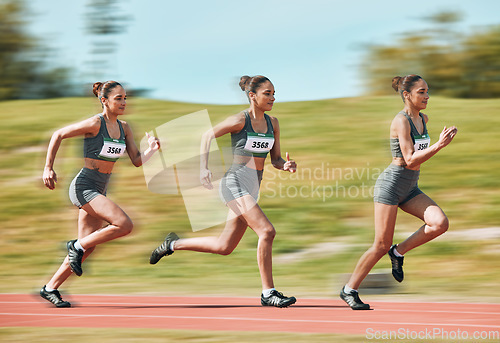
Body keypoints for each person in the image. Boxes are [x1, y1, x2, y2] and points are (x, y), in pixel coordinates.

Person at [149, 75, 298, 308]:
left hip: (252, 187)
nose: (272, 98)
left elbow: (276, 159)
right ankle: (268, 293)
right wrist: (203, 169)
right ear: (252, 96)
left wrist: (285, 165)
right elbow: (207, 135)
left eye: (273, 93)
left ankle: (172, 244)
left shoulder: (273, 124)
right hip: (234, 183)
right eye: (267, 93)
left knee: (224, 247)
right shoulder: (241, 120)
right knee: (267, 231)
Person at [340, 75, 458, 310]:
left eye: (427, 91)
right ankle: (349, 289)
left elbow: (416, 161)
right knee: (380, 244)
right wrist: (439, 145)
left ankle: (399, 251)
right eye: (421, 92)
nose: (426, 96)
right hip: (391, 186)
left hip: (411, 187)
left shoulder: (423, 119)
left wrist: (436, 146)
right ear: (407, 95)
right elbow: (410, 159)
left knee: (440, 223)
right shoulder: (400, 121)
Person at [40, 81, 160, 307]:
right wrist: (48, 167)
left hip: (100, 187)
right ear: (104, 100)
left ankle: (50, 287)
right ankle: (75, 246)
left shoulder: (124, 128)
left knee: (88, 247)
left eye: (125, 98)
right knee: (124, 225)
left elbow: (136, 161)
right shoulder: (96, 123)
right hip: (84, 187)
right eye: (118, 98)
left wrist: (151, 150)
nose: (124, 102)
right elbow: (59, 134)